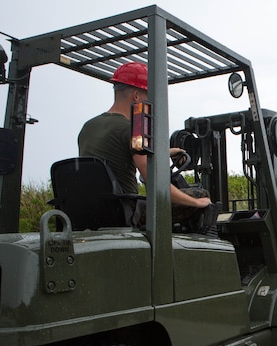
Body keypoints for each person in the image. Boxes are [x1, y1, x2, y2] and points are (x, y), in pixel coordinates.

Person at [78, 61, 218, 231]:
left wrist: (162, 153)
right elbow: (155, 183)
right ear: (136, 96)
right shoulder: (135, 129)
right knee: (202, 196)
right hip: (127, 210)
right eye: (148, 96)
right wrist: (196, 202)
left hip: (95, 211)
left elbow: (115, 154)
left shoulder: (89, 126)